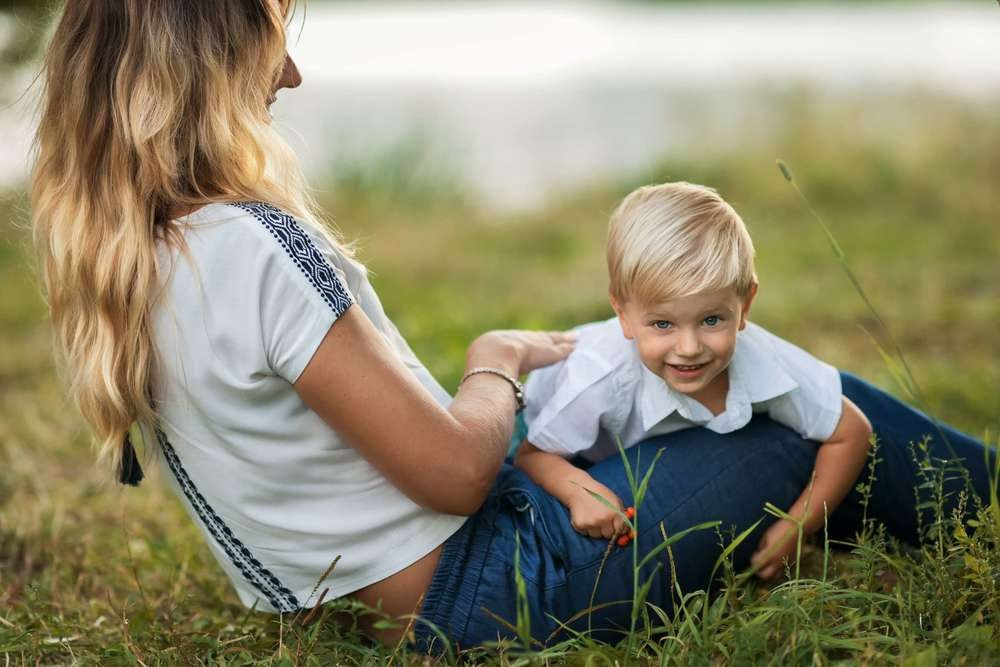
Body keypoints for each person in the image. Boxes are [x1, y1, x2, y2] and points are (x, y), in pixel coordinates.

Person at [30, 0, 996, 652]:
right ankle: (985, 508)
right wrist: (495, 362)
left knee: (680, 390)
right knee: (805, 412)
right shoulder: (250, 248)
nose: (290, 73)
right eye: (276, 34)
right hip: (492, 583)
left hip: (366, 601)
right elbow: (452, 471)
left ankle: (907, 513)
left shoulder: (139, 254)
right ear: (208, 60)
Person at [515, 182, 873, 579]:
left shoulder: (761, 357)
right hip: (552, 431)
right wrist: (577, 487)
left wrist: (798, 526)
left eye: (711, 320)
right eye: (663, 323)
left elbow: (851, 431)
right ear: (623, 312)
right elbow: (533, 454)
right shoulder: (600, 378)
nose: (688, 347)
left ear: (745, 305)